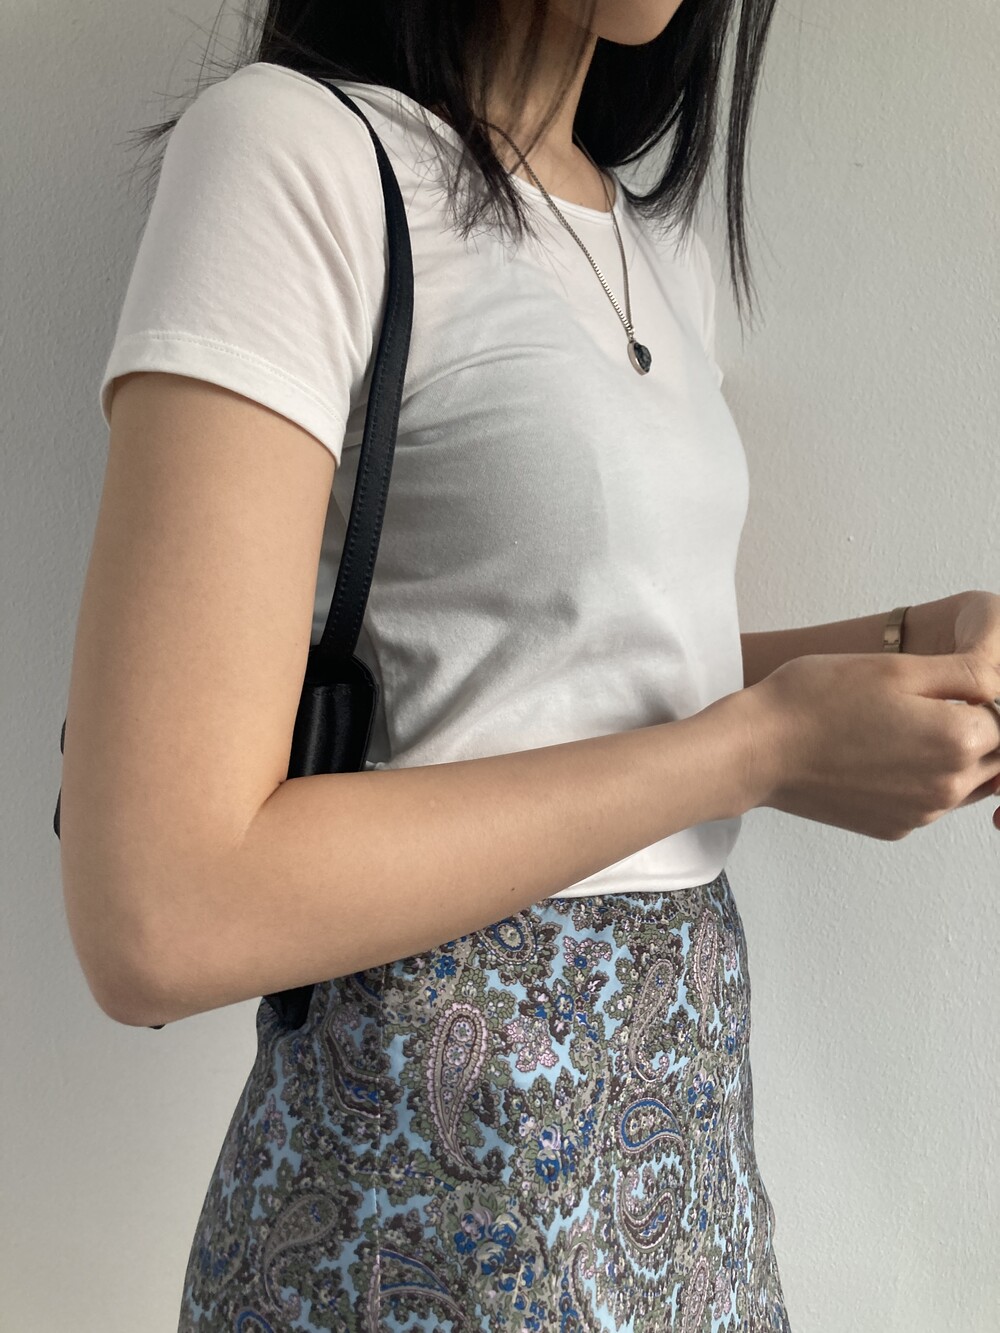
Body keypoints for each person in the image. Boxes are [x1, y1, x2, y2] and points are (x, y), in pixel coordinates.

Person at [57, 2, 1000, 1330]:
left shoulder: (656, 253)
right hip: (418, 1196)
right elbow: (160, 911)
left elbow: (554, 678)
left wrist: (906, 646)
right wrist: (763, 745)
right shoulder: (297, 153)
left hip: (686, 1165)